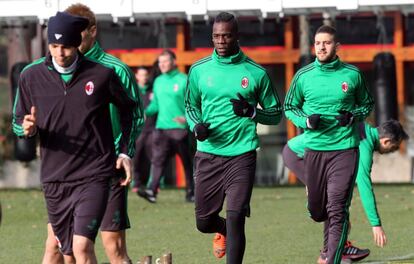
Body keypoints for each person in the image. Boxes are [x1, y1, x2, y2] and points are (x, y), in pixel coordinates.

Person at [12, 11, 140, 264]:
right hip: (55, 178)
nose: (60, 53)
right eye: (55, 46)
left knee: (82, 248)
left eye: (67, 46)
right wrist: (27, 129)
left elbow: (131, 111)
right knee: (65, 252)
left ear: (78, 44)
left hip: (95, 173)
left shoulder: (101, 74)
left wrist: (124, 151)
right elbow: (18, 121)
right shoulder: (30, 75)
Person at [185, 12, 282, 264]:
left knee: (237, 215)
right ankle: (223, 231)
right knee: (203, 221)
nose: (220, 41)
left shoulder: (256, 73)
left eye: (226, 35)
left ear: (237, 36)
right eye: (216, 36)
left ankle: (233, 235)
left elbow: (275, 114)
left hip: (242, 154)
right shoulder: (198, 70)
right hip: (208, 153)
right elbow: (190, 107)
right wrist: (197, 127)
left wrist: (252, 112)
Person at [284, 25, 374, 264]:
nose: (322, 47)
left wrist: (353, 116)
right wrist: (305, 120)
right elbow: (289, 107)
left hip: (344, 150)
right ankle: (330, 235)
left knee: (337, 209)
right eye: (317, 43)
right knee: (317, 211)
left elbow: (367, 104)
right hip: (314, 150)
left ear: (337, 46)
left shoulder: (352, 74)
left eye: (326, 43)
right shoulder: (303, 76)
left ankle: (332, 258)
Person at [283, 120, 409, 263]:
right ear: (386, 141)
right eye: (394, 148)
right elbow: (364, 186)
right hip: (297, 155)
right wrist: (376, 224)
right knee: (332, 203)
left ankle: (331, 251)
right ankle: (330, 252)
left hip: (303, 154)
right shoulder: (363, 143)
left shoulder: (363, 130)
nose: (392, 151)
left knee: (333, 202)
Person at [138, 50, 194, 203]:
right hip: (161, 129)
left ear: (174, 62)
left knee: (187, 163)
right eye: (160, 62)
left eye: (165, 61)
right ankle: (151, 191)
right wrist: (145, 112)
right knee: (157, 161)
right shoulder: (158, 81)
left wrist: (188, 118)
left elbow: (194, 103)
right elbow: (155, 104)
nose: (161, 65)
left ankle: (192, 192)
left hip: (180, 130)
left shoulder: (184, 80)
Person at [132, 66, 157, 193]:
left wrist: (147, 112)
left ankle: (153, 184)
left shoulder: (153, 90)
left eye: (146, 75)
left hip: (152, 129)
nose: (144, 77)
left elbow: (157, 105)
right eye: (141, 75)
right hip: (137, 130)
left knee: (154, 158)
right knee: (136, 157)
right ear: (137, 76)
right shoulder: (133, 89)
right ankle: (136, 183)